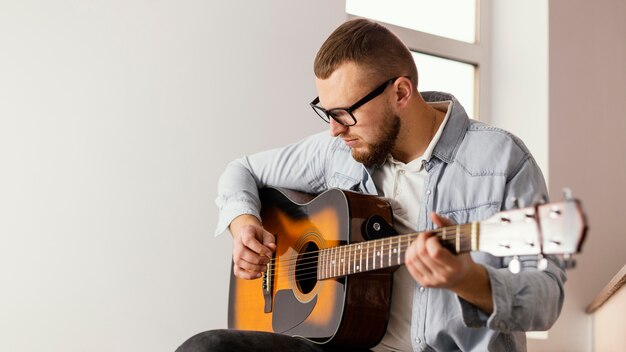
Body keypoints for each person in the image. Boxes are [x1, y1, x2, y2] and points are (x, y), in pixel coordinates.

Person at [177, 18, 565, 352]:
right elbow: (241, 169)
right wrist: (243, 224)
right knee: (207, 348)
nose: (333, 130)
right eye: (326, 112)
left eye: (345, 113)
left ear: (400, 92)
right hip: (348, 345)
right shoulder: (338, 150)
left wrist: (469, 280)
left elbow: (547, 298)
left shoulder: (501, 160)